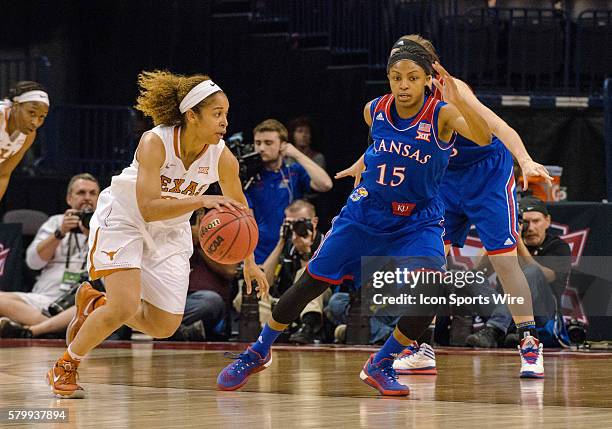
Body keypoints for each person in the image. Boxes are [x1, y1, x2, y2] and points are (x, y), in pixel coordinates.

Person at [217, 43, 492, 396]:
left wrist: (460, 98)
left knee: (429, 297)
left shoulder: (441, 114)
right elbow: (380, 145)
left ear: (427, 80)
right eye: (396, 77)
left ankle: (381, 362)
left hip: (417, 222)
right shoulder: (373, 110)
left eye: (412, 77)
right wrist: (364, 163)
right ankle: (258, 351)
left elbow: (483, 138)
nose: (403, 85)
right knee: (308, 285)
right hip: (365, 214)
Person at [46, 71, 269, 399]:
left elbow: (239, 207)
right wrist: (203, 200)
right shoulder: (156, 141)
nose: (225, 122)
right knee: (124, 306)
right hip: (125, 219)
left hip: (170, 231)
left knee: (164, 326)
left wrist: (249, 260)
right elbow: (148, 207)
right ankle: (65, 365)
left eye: (226, 114)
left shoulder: (222, 156)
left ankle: (96, 304)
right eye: (217, 114)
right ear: (192, 115)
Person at [344, 35, 550, 378]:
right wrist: (362, 163)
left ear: (429, 70)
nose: (404, 76)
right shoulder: (399, 102)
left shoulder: (453, 90)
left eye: (411, 67)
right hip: (444, 181)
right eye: (398, 67)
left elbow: (500, 128)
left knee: (504, 262)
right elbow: (391, 142)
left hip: (487, 175)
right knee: (427, 264)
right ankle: (421, 347)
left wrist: (525, 160)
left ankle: (529, 343)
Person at [465, 196, 572, 347]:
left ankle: (494, 329)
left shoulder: (558, 247)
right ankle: (508, 330)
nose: (530, 228)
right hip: (506, 308)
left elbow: (547, 276)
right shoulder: (507, 243)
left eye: (536, 221)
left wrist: (518, 241)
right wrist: (497, 236)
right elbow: (479, 270)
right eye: (525, 222)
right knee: (472, 277)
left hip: (541, 313)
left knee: (532, 271)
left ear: (547, 221)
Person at [0, 173, 99, 330]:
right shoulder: (56, 222)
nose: (87, 197)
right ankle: (55, 328)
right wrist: (60, 232)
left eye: (93, 193)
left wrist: (92, 235)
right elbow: (33, 263)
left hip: (80, 300)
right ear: (69, 199)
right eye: (81, 193)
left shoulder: (105, 226)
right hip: (44, 299)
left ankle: (35, 328)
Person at [247, 119, 332, 264]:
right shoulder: (249, 178)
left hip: (292, 252)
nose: (261, 148)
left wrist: (297, 154)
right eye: (258, 143)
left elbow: (325, 184)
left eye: (268, 143)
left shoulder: (294, 172)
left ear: (283, 145)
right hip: (260, 255)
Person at [261, 199, 326, 344]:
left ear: (314, 222)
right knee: (255, 290)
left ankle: (307, 328)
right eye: (290, 224)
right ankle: (265, 336)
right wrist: (281, 243)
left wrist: (305, 252)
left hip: (320, 296)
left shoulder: (326, 242)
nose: (295, 229)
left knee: (306, 279)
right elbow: (264, 280)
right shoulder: (287, 245)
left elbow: (313, 278)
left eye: (300, 223)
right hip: (286, 300)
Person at [170, 209, 238, 341]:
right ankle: (181, 332)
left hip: (202, 301)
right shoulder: (176, 227)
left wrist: (202, 243)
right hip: (176, 297)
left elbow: (230, 271)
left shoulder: (223, 225)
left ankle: (170, 330)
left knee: (210, 301)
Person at [0, 81, 49, 200]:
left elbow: (3, 174)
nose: (35, 122)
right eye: (31, 113)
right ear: (16, 105)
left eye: (41, 117)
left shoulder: (28, 135)